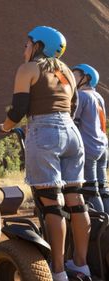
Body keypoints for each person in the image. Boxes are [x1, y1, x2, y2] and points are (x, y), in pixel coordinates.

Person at [0, 26, 91, 281]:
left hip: (44, 130)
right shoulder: (69, 73)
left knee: (51, 203)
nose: (24, 48)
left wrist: (5, 128)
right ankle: (82, 266)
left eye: (27, 44)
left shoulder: (28, 69)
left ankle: (58, 271)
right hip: (72, 135)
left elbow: (18, 110)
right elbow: (72, 108)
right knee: (76, 200)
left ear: (38, 45)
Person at [72, 64, 109, 213]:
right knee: (103, 187)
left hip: (88, 147)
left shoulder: (81, 96)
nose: (72, 78)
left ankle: (100, 226)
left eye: (75, 75)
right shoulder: (98, 96)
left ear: (85, 78)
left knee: (91, 190)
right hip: (102, 147)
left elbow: (73, 121)